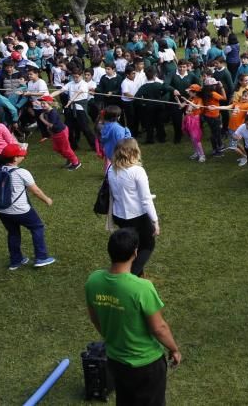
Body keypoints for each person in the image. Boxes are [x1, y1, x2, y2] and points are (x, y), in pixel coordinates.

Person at [85, 228, 182, 406]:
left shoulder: (93, 281)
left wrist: (111, 336)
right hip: (146, 364)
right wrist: (174, 349)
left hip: (115, 359)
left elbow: (95, 318)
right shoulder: (141, 288)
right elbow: (159, 328)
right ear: (135, 253)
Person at [0, 143, 56, 270]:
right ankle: (41, 258)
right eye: (21, 155)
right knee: (37, 227)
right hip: (20, 210)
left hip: (2, 210)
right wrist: (47, 200)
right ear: (15, 158)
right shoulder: (22, 172)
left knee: (13, 233)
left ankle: (16, 261)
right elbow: (35, 191)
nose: (23, 157)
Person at [107, 138, 160, 277]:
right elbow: (145, 200)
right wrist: (155, 221)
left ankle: (138, 274)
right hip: (137, 216)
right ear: (134, 152)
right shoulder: (137, 171)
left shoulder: (111, 169)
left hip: (119, 215)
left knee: (133, 245)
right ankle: (130, 276)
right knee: (148, 245)